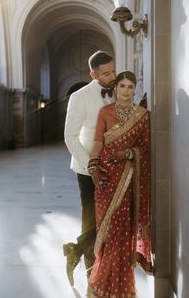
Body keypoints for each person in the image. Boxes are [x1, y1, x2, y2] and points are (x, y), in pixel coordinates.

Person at [87, 71, 153, 298]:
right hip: (106, 177)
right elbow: (97, 143)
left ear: (135, 89)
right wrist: (93, 167)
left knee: (122, 234)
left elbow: (145, 150)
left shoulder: (143, 116)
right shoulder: (104, 112)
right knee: (106, 235)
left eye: (130, 87)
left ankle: (121, 288)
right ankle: (101, 283)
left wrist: (128, 152)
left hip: (128, 178)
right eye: (122, 86)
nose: (126, 90)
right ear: (116, 88)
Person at [64, 50, 116, 287]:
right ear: (93, 74)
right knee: (91, 220)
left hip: (114, 165)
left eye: (113, 70)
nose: (112, 76)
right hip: (88, 169)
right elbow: (70, 136)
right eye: (106, 73)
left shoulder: (119, 88)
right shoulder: (79, 97)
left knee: (111, 218)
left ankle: (75, 249)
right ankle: (91, 275)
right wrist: (91, 165)